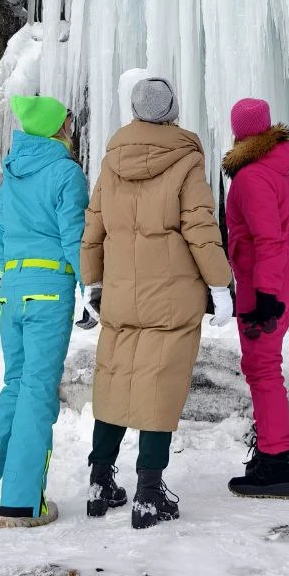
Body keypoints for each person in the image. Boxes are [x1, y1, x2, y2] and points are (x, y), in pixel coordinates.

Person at [81, 76, 234, 529]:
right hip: (172, 296)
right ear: (172, 110)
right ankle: (150, 492)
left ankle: (99, 479)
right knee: (158, 387)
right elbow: (200, 228)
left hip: (122, 294)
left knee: (115, 381)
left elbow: (94, 228)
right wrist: (221, 286)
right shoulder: (186, 158)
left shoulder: (112, 160)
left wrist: (91, 284)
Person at [0, 95, 89, 528]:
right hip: (48, 292)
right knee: (38, 392)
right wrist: (91, 288)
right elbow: (73, 237)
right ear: (58, 130)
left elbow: (2, 239)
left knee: (17, 386)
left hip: (12, 292)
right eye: (67, 125)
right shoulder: (66, 173)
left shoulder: (12, 176)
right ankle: (24, 503)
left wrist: (10, 281)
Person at [223, 98, 289, 499]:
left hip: (266, 283)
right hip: (278, 276)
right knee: (262, 366)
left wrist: (266, 297)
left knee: (263, 368)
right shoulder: (272, 167)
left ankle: (274, 465)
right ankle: (271, 455)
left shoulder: (253, 176)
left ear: (239, 131)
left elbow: (267, 239)